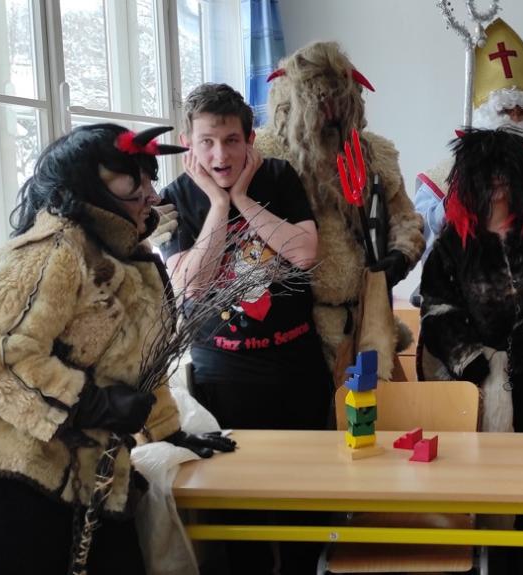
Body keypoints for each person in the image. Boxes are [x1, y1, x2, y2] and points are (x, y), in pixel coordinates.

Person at [0, 124, 234, 574]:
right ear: (87, 184)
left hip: (80, 469)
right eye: (133, 181)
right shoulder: (52, 251)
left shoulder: (130, 258)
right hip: (8, 466)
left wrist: (169, 431)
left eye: (148, 178)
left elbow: (140, 365)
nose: (150, 194)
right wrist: (92, 403)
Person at [159, 83, 328, 575]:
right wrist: (217, 205)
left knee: (306, 502)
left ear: (249, 139)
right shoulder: (174, 199)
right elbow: (192, 285)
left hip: (297, 365)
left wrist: (242, 199)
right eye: (207, 142)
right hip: (225, 373)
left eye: (232, 140)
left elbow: (303, 254)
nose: (220, 154)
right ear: (188, 143)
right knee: (239, 511)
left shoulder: (278, 176)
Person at [255, 41, 425, 381]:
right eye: (320, 101)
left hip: (366, 316)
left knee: (374, 407)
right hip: (297, 324)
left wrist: (400, 256)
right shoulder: (267, 153)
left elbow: (405, 219)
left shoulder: (376, 154)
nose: (331, 112)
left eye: (339, 100)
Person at [417, 128, 523, 434]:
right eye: (488, 170)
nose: (498, 178)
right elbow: (437, 309)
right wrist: (467, 357)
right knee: (471, 457)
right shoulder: (452, 245)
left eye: (505, 169)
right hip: (471, 382)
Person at [415, 18, 523, 274]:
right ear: (483, 116)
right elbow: (417, 243)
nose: (514, 120)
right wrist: (446, 210)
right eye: (505, 110)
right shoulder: (439, 180)